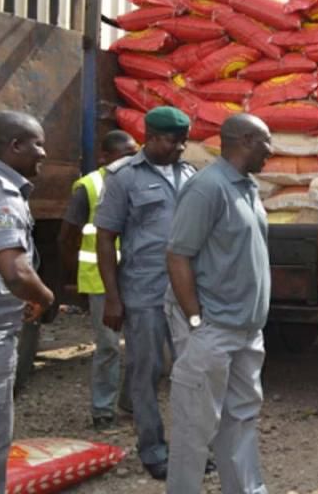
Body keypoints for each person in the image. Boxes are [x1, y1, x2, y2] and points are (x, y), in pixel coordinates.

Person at [165, 114, 273, 494]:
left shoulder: (247, 187)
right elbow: (178, 256)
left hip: (246, 330)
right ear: (246, 140)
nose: (271, 151)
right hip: (213, 329)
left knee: (241, 419)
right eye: (267, 142)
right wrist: (196, 322)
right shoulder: (207, 187)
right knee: (194, 427)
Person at [95, 106, 197, 480]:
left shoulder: (189, 174)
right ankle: (153, 449)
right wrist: (112, 297)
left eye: (184, 141)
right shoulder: (123, 178)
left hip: (185, 294)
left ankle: (190, 448)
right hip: (144, 293)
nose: (180, 148)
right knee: (146, 373)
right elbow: (105, 238)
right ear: (150, 138)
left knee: (191, 371)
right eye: (173, 141)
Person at [0, 111, 54, 493]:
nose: (44, 153)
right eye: (37, 144)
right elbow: (15, 271)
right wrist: (45, 297)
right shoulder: (2, 196)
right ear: (15, 146)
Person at [58, 130, 138, 431]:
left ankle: (130, 405)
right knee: (108, 347)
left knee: (140, 347)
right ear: (104, 158)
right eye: (125, 155)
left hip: (136, 278)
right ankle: (103, 412)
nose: (131, 161)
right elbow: (67, 238)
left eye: (135, 155)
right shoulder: (89, 186)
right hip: (100, 281)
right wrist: (75, 278)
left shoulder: (141, 182)